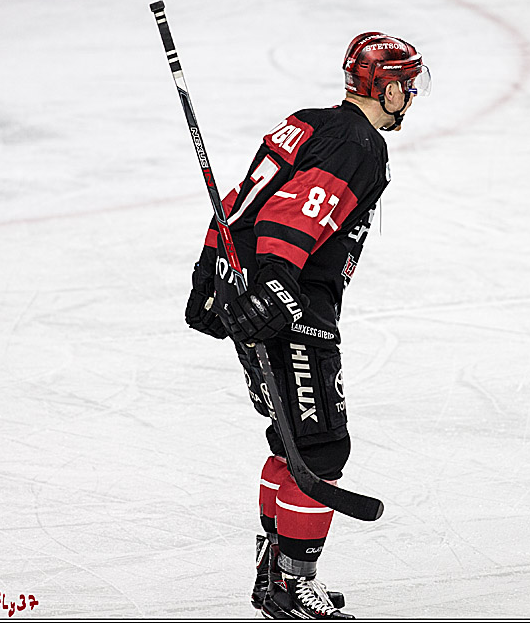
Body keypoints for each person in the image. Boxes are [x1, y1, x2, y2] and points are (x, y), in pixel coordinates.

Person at [183, 32, 431, 618]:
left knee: (290, 439)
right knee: (320, 447)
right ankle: (293, 585)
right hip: (289, 302)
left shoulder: (309, 122)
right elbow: (293, 212)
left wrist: (207, 274)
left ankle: (274, 575)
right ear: (386, 87)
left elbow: (241, 202)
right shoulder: (359, 144)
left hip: (254, 288)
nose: (412, 95)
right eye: (408, 84)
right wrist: (275, 284)